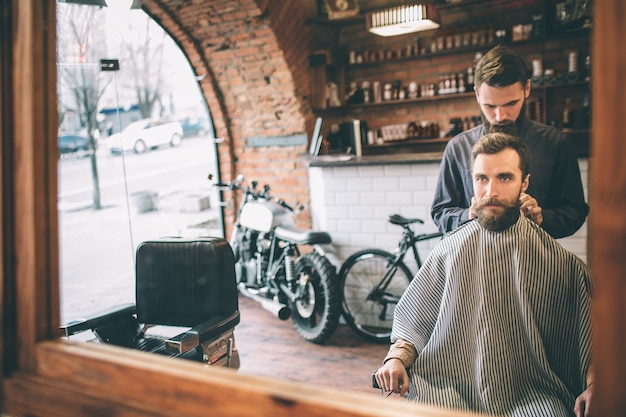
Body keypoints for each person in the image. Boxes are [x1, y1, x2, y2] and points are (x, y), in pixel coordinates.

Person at [375, 132, 593, 417]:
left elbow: (590, 341)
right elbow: (414, 324)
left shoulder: (560, 262)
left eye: (504, 178)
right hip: (449, 388)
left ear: (524, 183)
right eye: (482, 179)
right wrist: (395, 359)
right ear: (473, 182)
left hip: (533, 393)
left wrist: (594, 383)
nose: (491, 191)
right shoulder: (448, 251)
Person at [431, 44, 589, 239]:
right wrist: (468, 215)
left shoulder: (555, 143)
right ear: (477, 94)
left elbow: (575, 212)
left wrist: (543, 219)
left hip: (534, 263)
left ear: (527, 89)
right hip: (472, 263)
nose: (500, 115)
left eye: (511, 103)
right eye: (490, 106)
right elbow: (440, 212)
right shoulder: (458, 148)